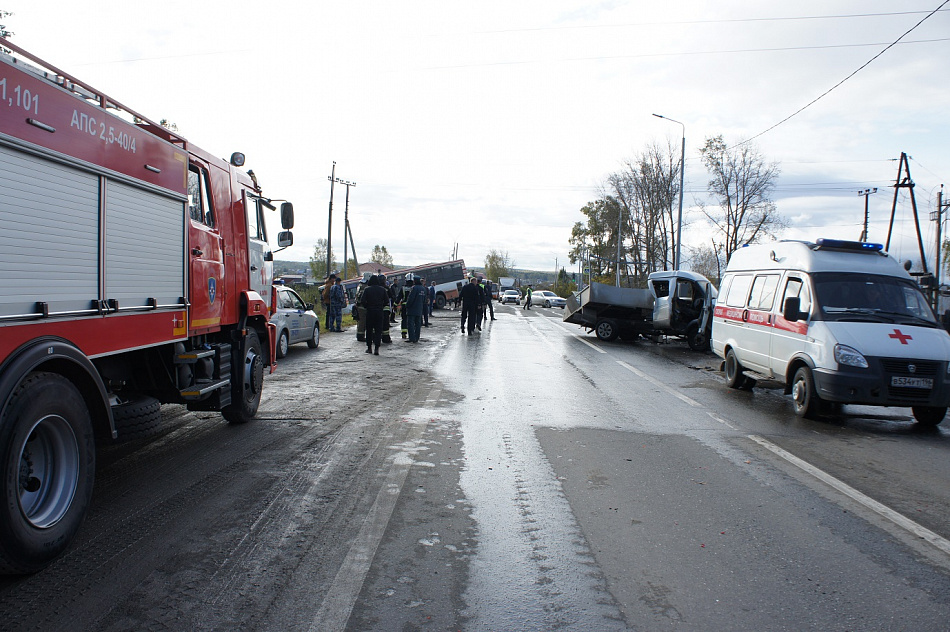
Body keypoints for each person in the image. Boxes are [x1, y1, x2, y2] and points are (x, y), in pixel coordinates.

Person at [362, 274, 389, 355]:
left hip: (370, 312)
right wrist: (381, 306)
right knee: (378, 330)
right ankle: (377, 348)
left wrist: (367, 306)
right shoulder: (382, 289)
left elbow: (362, 301)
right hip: (379, 312)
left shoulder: (367, 289)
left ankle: (369, 348)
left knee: (369, 330)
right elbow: (386, 301)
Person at [405, 276, 427, 342]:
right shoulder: (423, 289)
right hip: (419, 309)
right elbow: (424, 300)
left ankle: (412, 338)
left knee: (410, 324)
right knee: (418, 324)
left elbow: (411, 298)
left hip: (412, 309)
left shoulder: (414, 288)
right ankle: (417, 338)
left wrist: (407, 305)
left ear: (415, 281)